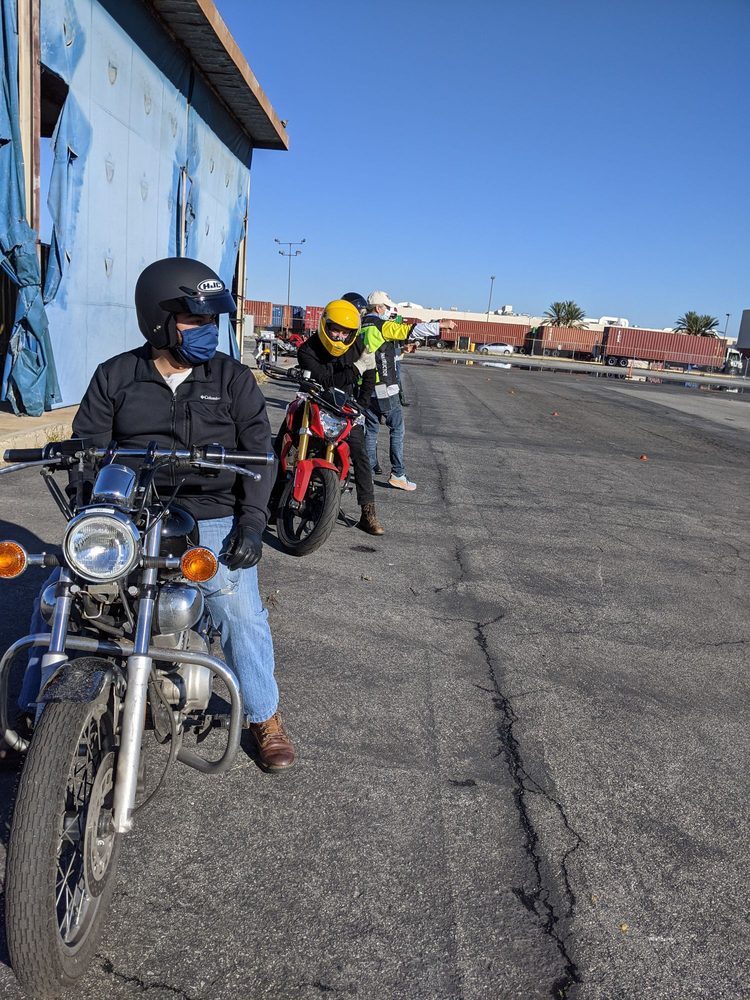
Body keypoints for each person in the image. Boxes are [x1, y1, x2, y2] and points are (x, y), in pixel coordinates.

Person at [16, 258, 296, 772]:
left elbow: (261, 455)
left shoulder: (232, 380)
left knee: (237, 606)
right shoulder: (116, 376)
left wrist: (253, 523)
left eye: (212, 321)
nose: (207, 332)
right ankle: (32, 713)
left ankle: (263, 715)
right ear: (159, 322)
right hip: (130, 508)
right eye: (195, 321)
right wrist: (91, 517)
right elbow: (86, 452)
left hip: (212, 511)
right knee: (60, 591)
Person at [295, 299, 383, 536]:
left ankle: (368, 511)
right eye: (335, 330)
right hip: (313, 402)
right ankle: (271, 500)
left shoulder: (358, 347)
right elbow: (326, 380)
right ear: (325, 325)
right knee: (284, 435)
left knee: (361, 454)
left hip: (345, 410)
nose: (340, 336)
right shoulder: (308, 349)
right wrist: (356, 369)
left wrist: (361, 405)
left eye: (346, 332)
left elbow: (370, 377)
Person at [361, 291, 453, 491]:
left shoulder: (361, 325)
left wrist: (402, 351)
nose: (388, 313)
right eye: (386, 308)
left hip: (366, 387)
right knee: (397, 428)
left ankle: (365, 473)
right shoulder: (381, 325)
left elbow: (378, 352)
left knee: (371, 430)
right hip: (384, 385)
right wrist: (440, 325)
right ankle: (398, 473)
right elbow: (410, 330)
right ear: (379, 308)